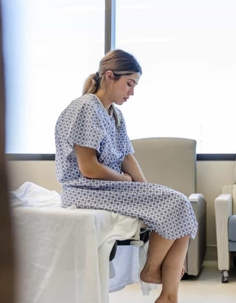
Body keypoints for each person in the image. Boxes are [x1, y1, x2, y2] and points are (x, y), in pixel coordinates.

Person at [54, 49, 198, 303]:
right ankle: (151, 271)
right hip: (84, 188)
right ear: (110, 76)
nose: (132, 92)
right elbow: (88, 168)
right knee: (177, 202)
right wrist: (126, 182)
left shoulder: (115, 114)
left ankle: (168, 296)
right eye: (129, 84)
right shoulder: (85, 108)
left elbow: (127, 158)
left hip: (107, 187)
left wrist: (146, 190)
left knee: (182, 209)